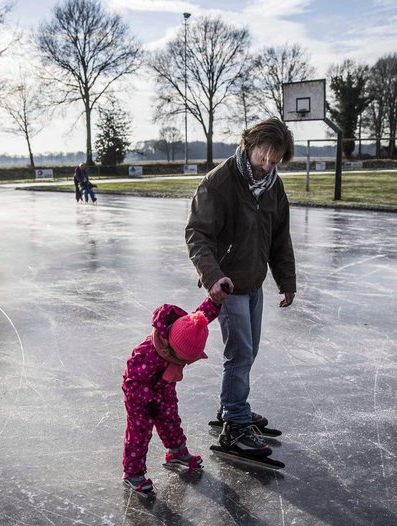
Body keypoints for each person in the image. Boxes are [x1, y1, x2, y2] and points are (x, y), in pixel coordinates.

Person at [184, 117, 297, 458]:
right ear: (249, 145)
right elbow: (197, 235)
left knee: (250, 351)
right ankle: (234, 423)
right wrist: (212, 276)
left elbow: (280, 238)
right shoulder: (219, 182)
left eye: (275, 161)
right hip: (228, 284)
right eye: (263, 157)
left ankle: (231, 407)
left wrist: (286, 280)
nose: (266, 166)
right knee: (239, 353)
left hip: (254, 282)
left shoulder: (273, 187)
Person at [121, 290, 229, 495]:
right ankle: (133, 473)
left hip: (163, 387)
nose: (183, 363)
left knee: (171, 418)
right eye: (181, 358)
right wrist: (146, 402)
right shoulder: (147, 353)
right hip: (140, 397)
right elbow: (132, 381)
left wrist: (214, 301)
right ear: (170, 346)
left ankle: (176, 451)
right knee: (140, 432)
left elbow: (200, 316)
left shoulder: (184, 327)